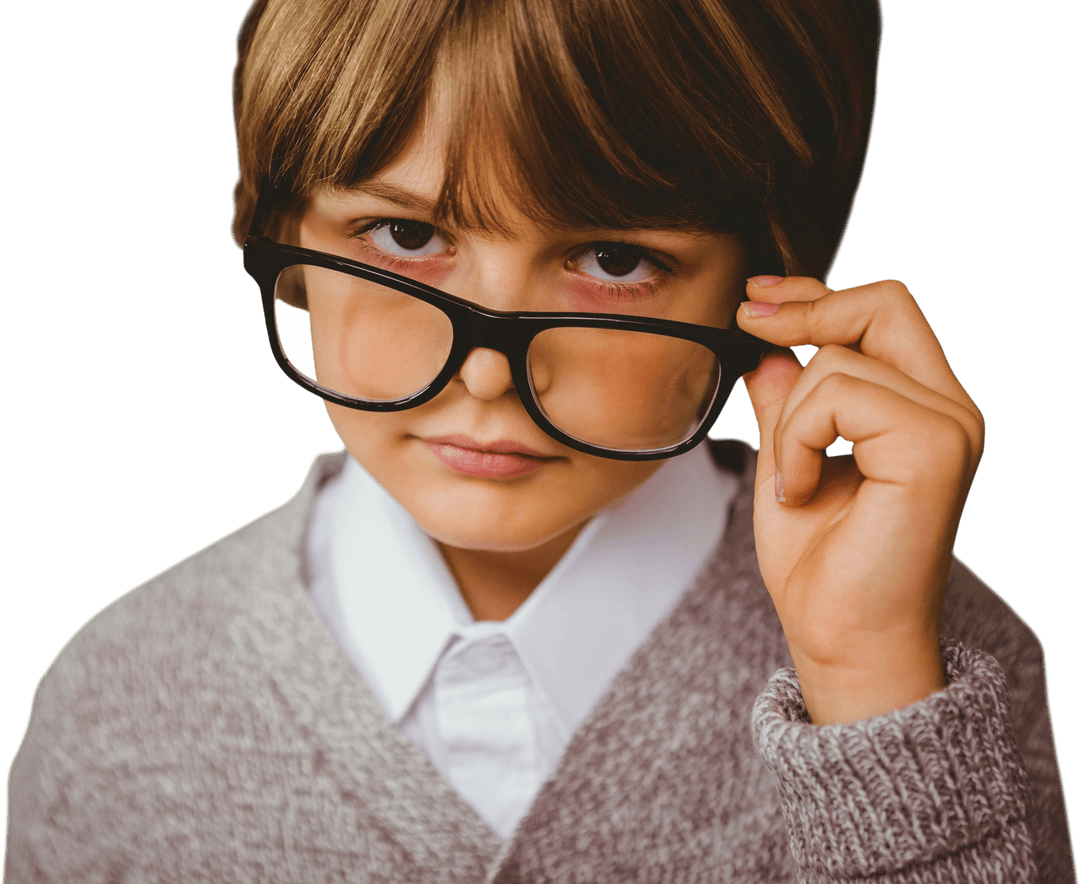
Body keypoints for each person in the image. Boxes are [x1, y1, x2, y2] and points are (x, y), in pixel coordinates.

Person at [5, 0, 1075, 881]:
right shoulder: (114, 700)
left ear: (768, 276)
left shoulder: (936, 669)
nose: (484, 372)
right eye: (408, 236)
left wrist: (869, 686)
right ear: (280, 228)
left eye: (612, 258)